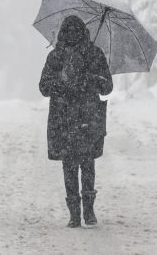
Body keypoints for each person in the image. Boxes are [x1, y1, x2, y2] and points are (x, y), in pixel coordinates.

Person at [38, 15, 113, 228]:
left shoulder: (94, 54)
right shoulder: (56, 57)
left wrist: (89, 78)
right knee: (69, 165)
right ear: (63, 34)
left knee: (88, 162)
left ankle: (88, 210)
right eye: (68, 31)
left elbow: (107, 86)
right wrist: (60, 83)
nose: (72, 35)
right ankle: (74, 213)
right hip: (63, 119)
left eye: (76, 31)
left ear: (82, 32)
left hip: (88, 117)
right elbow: (43, 87)